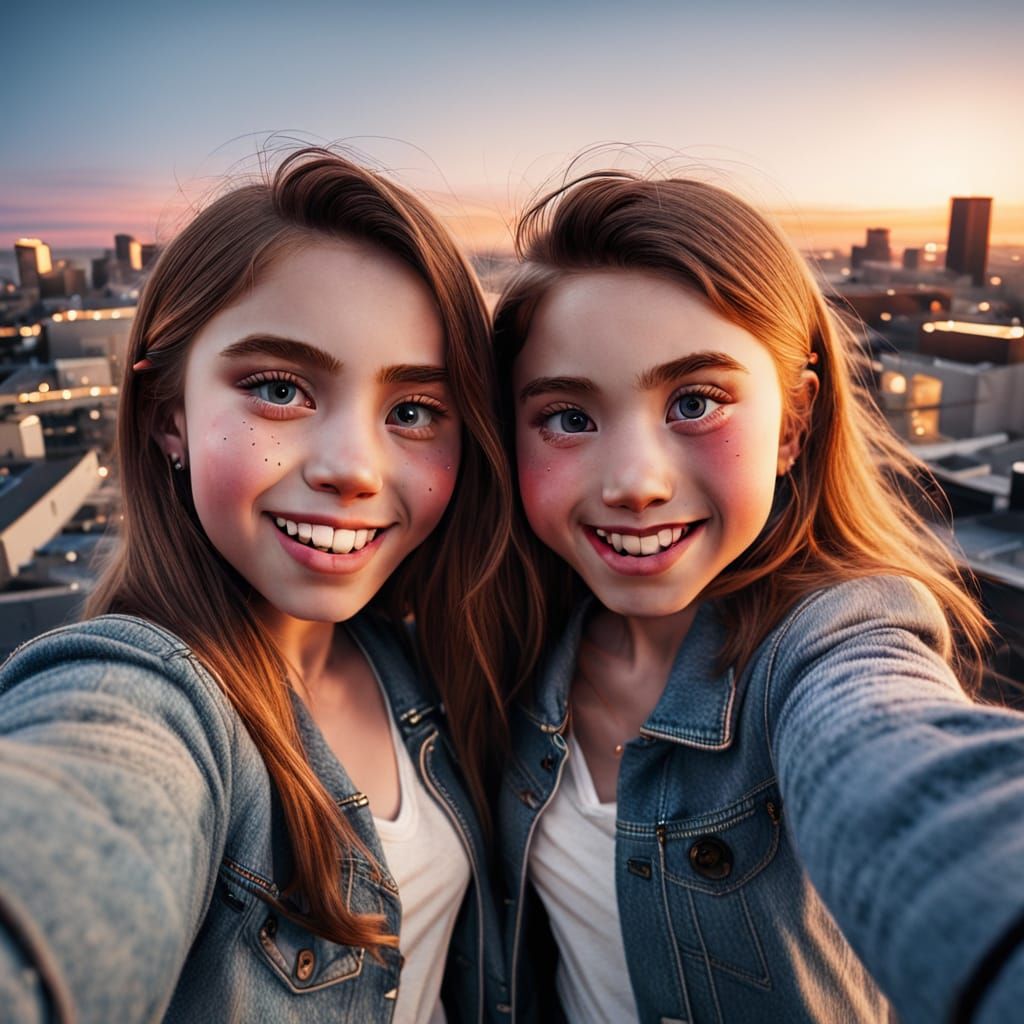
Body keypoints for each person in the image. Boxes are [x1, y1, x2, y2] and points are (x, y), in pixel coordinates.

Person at [492, 170, 1024, 1024]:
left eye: (695, 402)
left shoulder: (833, 641)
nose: (635, 484)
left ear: (793, 425)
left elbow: (908, 771)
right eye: (569, 417)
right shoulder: (506, 644)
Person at [0, 149, 516, 1024]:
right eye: (280, 389)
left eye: (413, 411)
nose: (354, 469)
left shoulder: (419, 661)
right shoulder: (144, 698)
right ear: (169, 418)